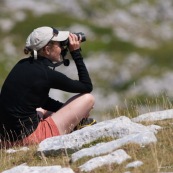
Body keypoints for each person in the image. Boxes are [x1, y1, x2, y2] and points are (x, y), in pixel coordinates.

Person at [0, 26, 96, 148]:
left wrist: (69, 111)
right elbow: (86, 86)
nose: (62, 48)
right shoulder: (45, 74)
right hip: (29, 139)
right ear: (47, 50)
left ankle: (74, 123)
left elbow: (42, 101)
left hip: (5, 139)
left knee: (41, 108)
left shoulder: (22, 65)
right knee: (88, 99)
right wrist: (76, 53)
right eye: (59, 45)